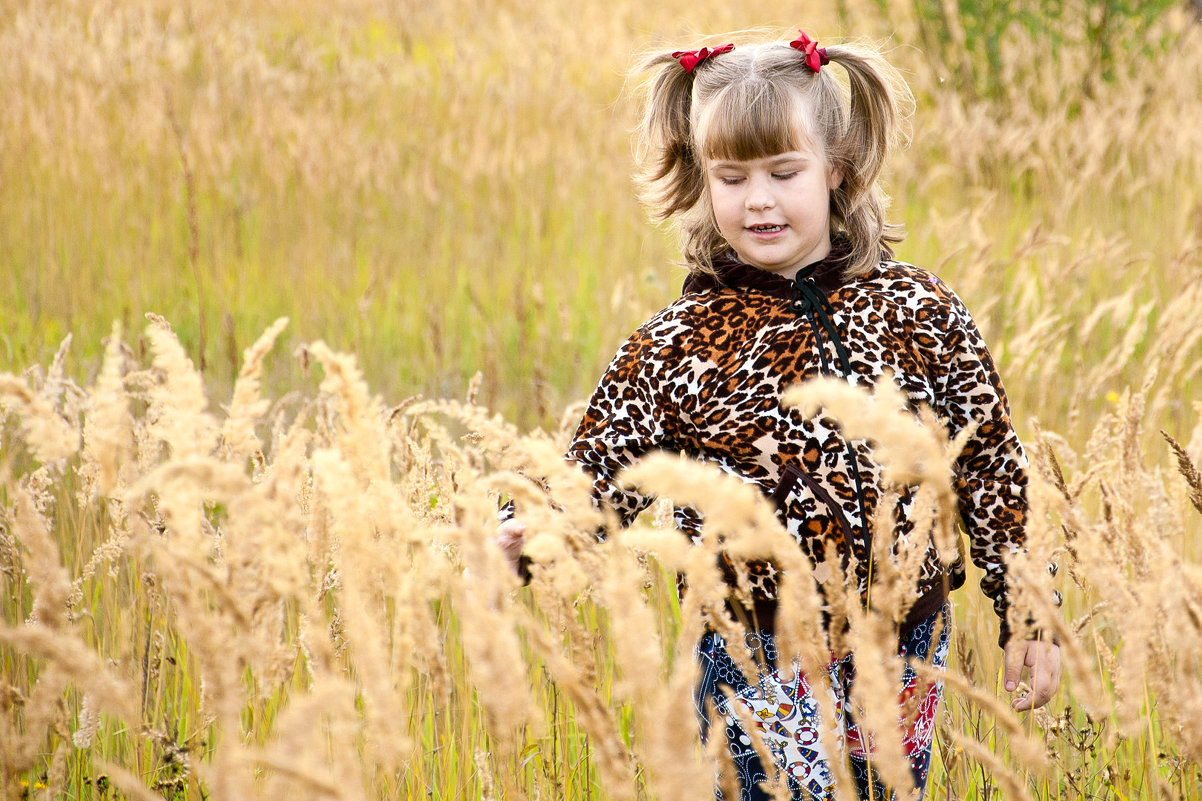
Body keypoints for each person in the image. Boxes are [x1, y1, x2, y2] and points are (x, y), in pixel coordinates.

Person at [496, 28, 1060, 801]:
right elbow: (598, 469)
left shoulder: (919, 309)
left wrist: (1027, 608)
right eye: (731, 177)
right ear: (702, 183)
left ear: (838, 169)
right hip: (752, 648)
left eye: (783, 171)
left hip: (907, 642)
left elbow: (991, 462)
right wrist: (528, 527)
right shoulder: (678, 344)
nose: (758, 199)